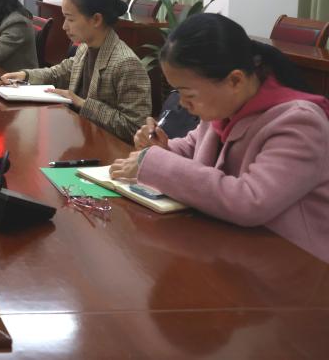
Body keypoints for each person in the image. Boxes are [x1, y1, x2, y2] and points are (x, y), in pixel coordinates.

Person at [110, 13, 329, 262]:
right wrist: (159, 146)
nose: (182, 104)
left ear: (235, 80)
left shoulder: (300, 123)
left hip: (294, 265)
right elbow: (192, 147)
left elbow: (249, 201)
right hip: (233, 247)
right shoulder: (225, 105)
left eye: (189, 94)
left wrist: (155, 163)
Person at [0, 0, 150, 143]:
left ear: (96, 19)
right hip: (82, 138)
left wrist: (82, 104)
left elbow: (134, 128)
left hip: (108, 150)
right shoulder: (86, 47)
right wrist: (25, 75)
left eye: (70, 19)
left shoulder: (126, 63)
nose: (64, 26)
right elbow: (60, 72)